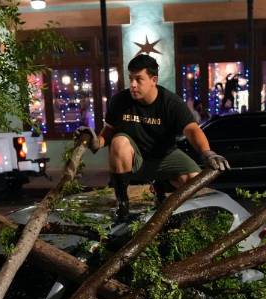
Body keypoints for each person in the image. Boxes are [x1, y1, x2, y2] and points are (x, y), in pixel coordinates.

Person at [76, 54, 229, 221]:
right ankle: (122, 204)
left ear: (153, 80)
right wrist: (96, 142)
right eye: (131, 78)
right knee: (119, 142)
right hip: (134, 158)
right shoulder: (119, 101)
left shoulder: (171, 103)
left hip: (163, 156)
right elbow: (109, 130)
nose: (133, 84)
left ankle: (161, 185)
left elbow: (192, 129)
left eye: (139, 79)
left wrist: (207, 153)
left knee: (194, 181)